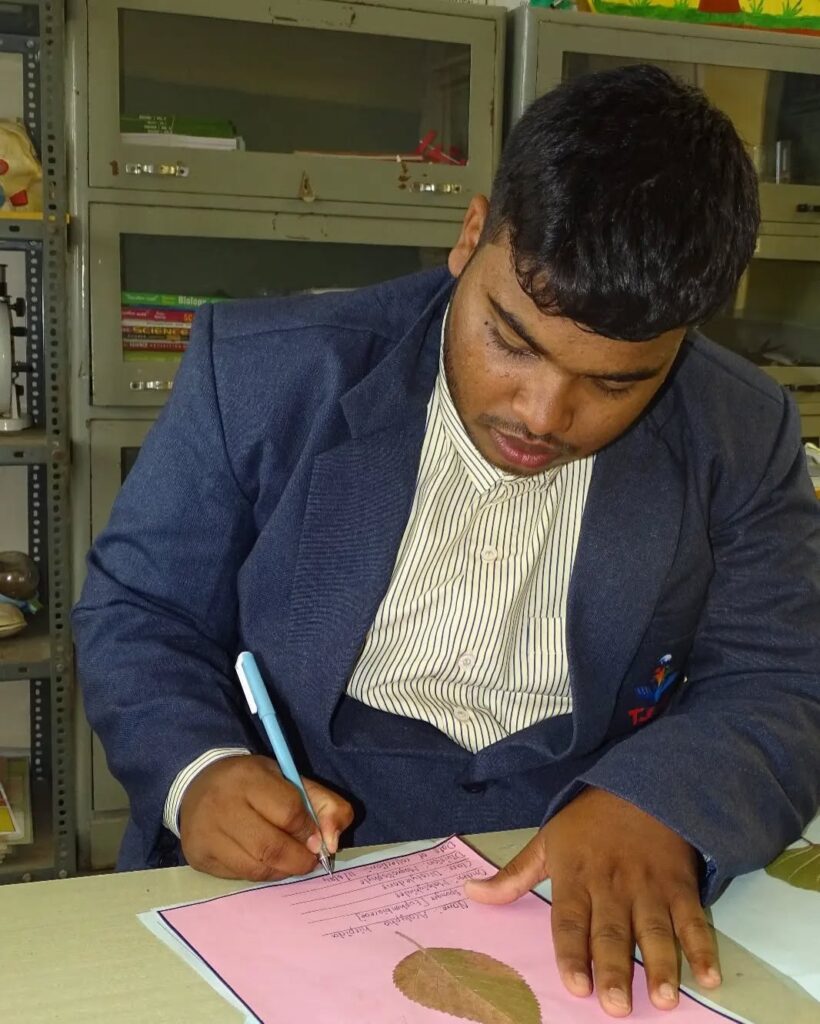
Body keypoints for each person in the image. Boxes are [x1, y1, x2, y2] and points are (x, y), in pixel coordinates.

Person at [73, 65, 820, 1018]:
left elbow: (779, 674)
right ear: (470, 239)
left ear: (680, 341)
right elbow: (141, 611)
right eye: (511, 338)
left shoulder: (738, 427)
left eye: (618, 384)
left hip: (574, 848)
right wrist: (199, 772)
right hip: (293, 858)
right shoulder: (264, 373)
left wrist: (660, 802)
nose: (542, 415)